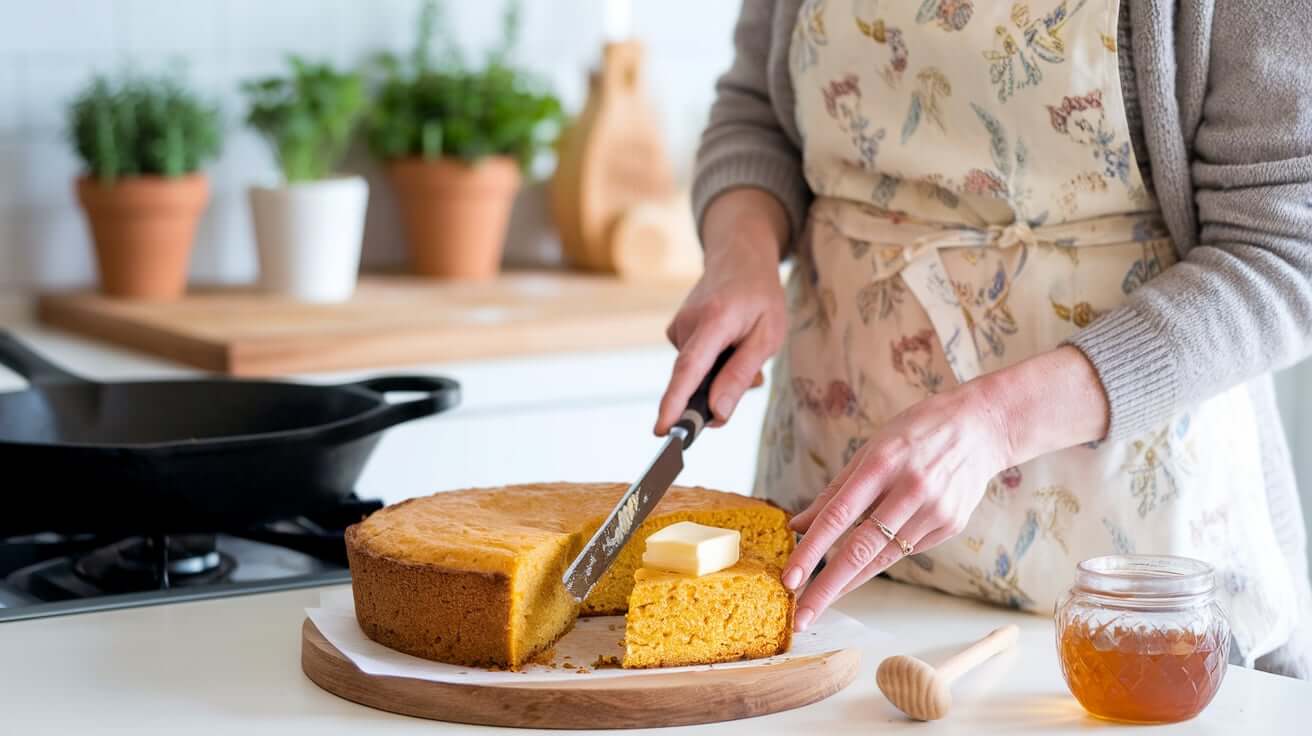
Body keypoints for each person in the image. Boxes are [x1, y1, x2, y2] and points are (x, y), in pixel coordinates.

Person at [654, 0, 1312, 677]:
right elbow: (755, 114)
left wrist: (996, 422)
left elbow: (1285, 251)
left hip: (1129, 576)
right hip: (833, 533)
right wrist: (742, 255)